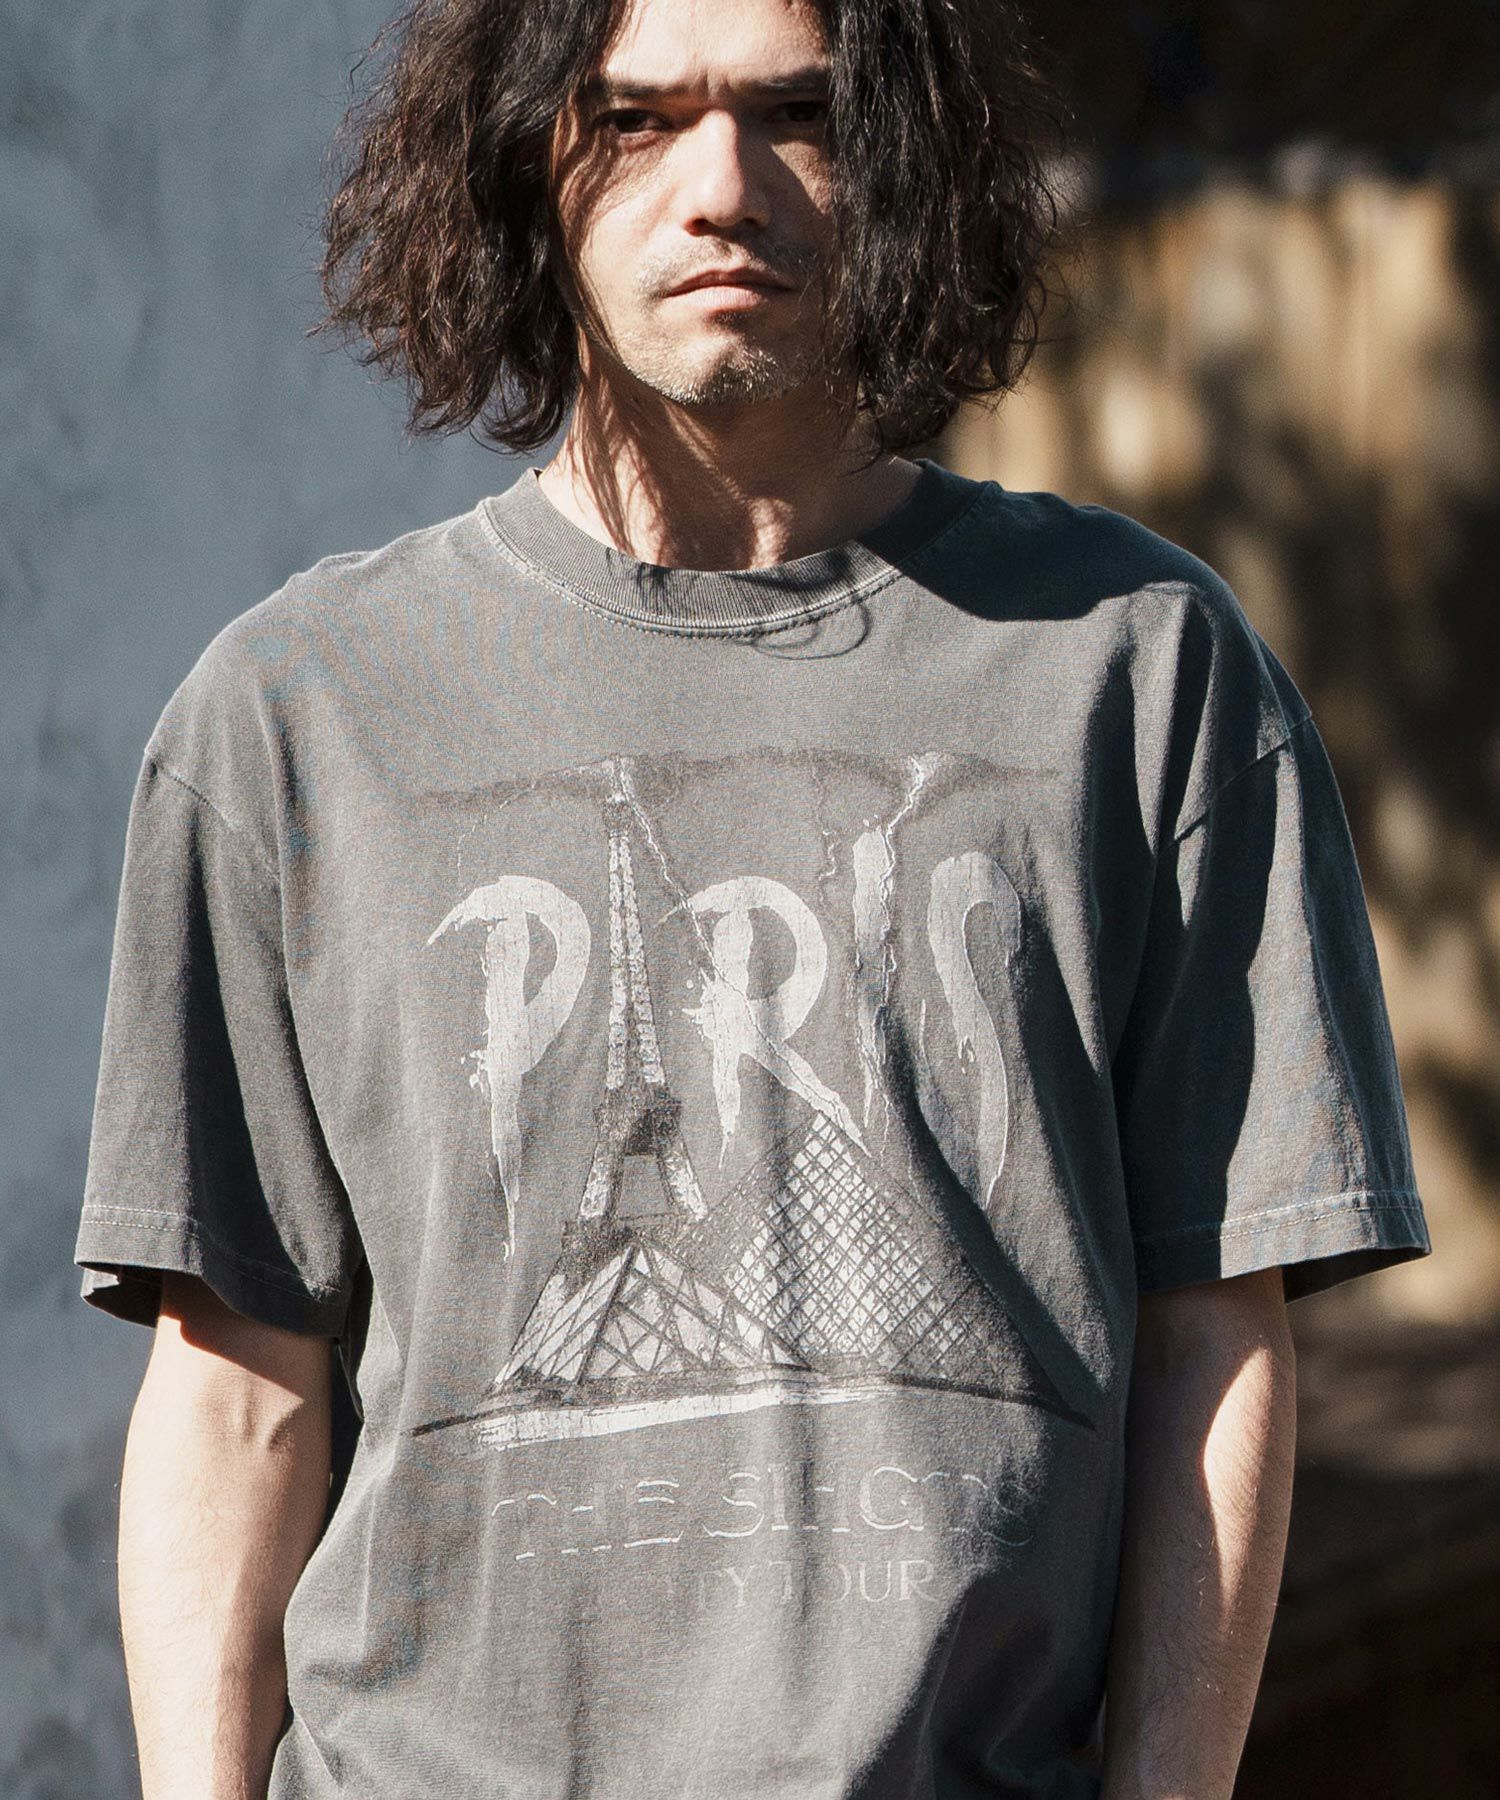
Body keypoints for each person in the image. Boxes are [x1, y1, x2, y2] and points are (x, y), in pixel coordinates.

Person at [72, 0, 1432, 1793]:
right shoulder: (290, 720)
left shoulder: (1141, 675)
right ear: (519, 160)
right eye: (634, 118)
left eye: (802, 112)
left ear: (910, 151)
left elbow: (1216, 1337)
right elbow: (236, 1386)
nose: (722, 185)